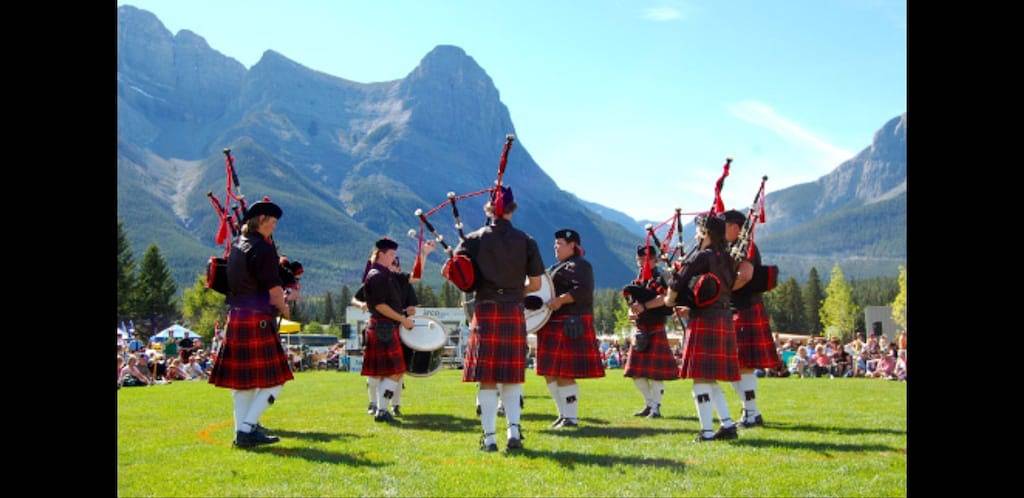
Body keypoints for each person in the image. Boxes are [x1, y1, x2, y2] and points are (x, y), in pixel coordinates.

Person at [456, 186, 544, 452]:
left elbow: (457, 273)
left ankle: (490, 438)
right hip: (513, 310)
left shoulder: (474, 238)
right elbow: (537, 283)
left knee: (488, 378)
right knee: (512, 376)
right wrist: (518, 290)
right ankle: (514, 432)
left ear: (489, 210)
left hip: (485, 310)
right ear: (512, 209)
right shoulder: (526, 240)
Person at [208, 197, 294, 448]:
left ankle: (240, 433)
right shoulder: (263, 249)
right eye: (273, 222)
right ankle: (246, 430)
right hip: (257, 319)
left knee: (243, 385)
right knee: (276, 380)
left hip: (237, 316)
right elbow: (274, 289)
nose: (275, 227)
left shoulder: (238, 245)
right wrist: (284, 307)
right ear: (262, 220)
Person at [666, 214, 740, 442]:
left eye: (699, 231)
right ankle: (727, 425)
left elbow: (679, 281)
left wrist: (670, 299)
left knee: (700, 378)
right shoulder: (728, 258)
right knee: (708, 378)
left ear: (707, 233)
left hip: (705, 320)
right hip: (723, 316)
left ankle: (706, 432)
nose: (696, 235)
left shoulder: (701, 256)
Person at [534, 229, 604, 429]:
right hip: (552, 323)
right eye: (555, 244)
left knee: (564, 373)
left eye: (560, 244)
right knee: (550, 372)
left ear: (572, 245)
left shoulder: (582, 265)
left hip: (570, 322)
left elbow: (583, 290)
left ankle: (571, 418)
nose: (555, 247)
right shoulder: (556, 267)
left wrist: (561, 300)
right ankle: (562, 413)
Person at [721, 210, 781, 429]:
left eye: (724, 225)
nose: (720, 230)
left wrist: (722, 292)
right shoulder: (730, 247)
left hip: (745, 308)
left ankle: (752, 413)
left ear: (736, 227)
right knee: (734, 366)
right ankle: (750, 411)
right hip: (735, 309)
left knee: (742, 365)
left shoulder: (746, 246)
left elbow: (745, 275)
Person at [359, 238, 415, 423]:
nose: (393, 258)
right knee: (394, 370)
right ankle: (381, 409)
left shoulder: (387, 274)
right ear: (381, 254)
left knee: (396, 371)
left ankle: (382, 409)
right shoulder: (376, 275)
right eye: (391, 254)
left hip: (386, 327)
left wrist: (423, 253)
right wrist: (402, 319)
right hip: (382, 327)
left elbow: (415, 277)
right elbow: (380, 305)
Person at [623, 245, 679, 419]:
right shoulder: (638, 280)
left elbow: (665, 298)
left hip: (655, 327)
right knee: (635, 373)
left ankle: (656, 408)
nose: (642, 262)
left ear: (654, 260)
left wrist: (645, 306)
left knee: (655, 374)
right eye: (639, 259)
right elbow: (631, 303)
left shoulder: (660, 277)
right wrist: (631, 313)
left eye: (645, 259)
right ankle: (649, 404)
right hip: (640, 328)